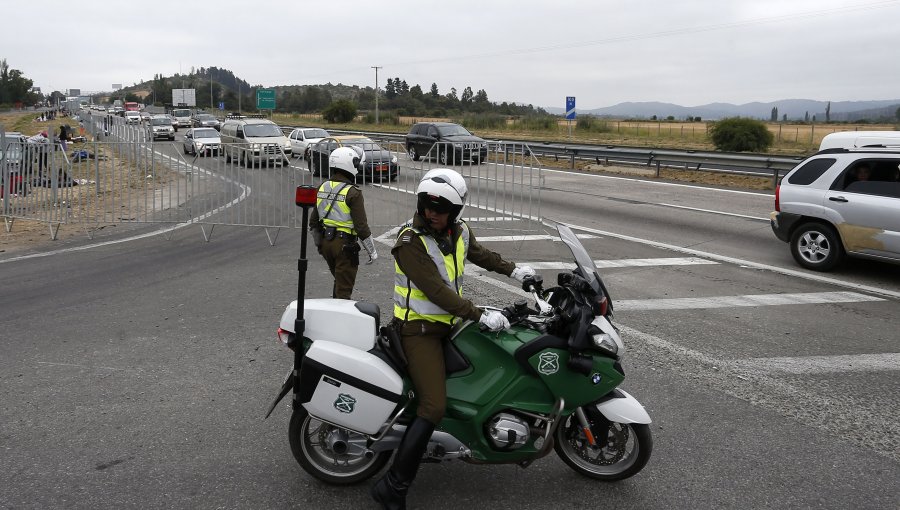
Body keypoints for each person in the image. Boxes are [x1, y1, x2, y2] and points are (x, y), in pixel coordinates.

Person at [371, 168, 535, 509]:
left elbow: (480, 254)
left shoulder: (458, 231)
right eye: (427, 205)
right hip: (419, 331)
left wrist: (515, 271)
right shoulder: (410, 241)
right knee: (434, 405)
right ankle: (393, 487)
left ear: (455, 211)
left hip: (448, 325)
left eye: (440, 207)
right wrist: (478, 314)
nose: (432, 212)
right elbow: (435, 291)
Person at [309, 147, 378, 299]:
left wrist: (320, 245)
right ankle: (337, 319)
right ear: (348, 164)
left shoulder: (322, 187)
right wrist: (372, 251)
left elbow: (313, 222)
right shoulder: (353, 192)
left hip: (327, 244)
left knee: (339, 283)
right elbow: (361, 227)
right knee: (344, 292)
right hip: (345, 247)